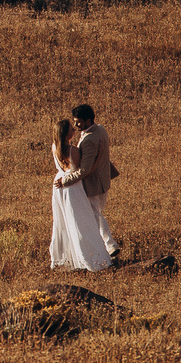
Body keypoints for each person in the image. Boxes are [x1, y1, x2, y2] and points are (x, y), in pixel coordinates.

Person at [48, 114, 111, 272]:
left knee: (63, 221)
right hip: (73, 187)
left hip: (59, 184)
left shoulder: (54, 147)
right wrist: (99, 155)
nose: (74, 130)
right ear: (66, 134)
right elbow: (85, 171)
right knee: (82, 222)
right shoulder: (73, 150)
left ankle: (66, 257)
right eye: (71, 129)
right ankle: (92, 258)